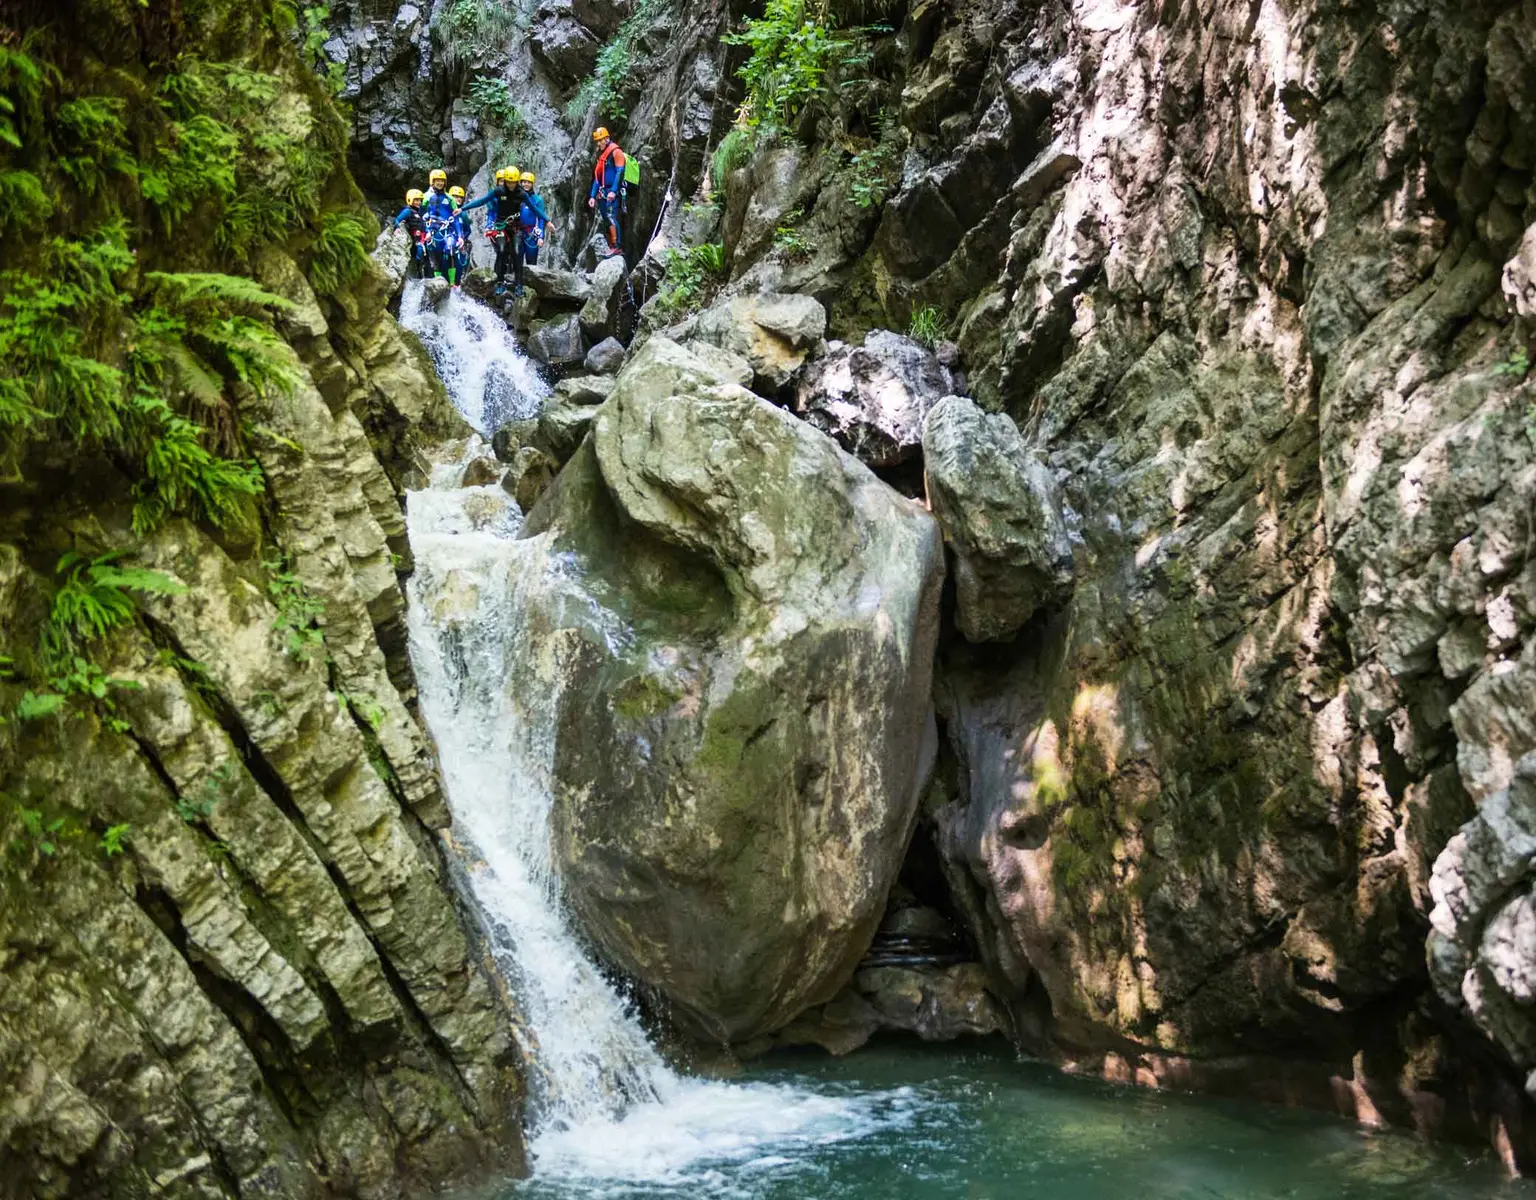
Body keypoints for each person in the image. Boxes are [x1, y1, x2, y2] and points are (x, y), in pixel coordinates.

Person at [462, 167, 521, 295]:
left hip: (511, 227)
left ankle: (510, 278)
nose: (501, 183)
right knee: (501, 251)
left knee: (512, 253)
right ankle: (498, 278)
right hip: (498, 226)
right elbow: (489, 212)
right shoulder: (496, 195)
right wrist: (491, 227)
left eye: (502, 181)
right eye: (500, 181)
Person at [587, 127, 627, 257]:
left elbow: (619, 172)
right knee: (606, 218)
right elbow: (598, 178)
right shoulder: (602, 156)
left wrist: (614, 191)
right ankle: (611, 244)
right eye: (597, 141)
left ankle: (617, 246)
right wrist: (592, 196)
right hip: (603, 191)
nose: (599, 143)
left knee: (611, 217)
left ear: (606, 139)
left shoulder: (616, 152)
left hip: (611, 191)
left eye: (600, 140)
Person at [512, 171, 552, 297]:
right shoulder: (516, 198)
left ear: (532, 184)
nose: (526, 184)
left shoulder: (537, 200)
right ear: (520, 183)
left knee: (531, 262)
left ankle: (530, 289)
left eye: (529, 182)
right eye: (524, 182)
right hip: (518, 231)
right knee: (517, 259)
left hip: (531, 234)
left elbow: (540, 219)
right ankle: (517, 285)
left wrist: (540, 237)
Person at [421, 168, 459, 282]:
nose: (440, 183)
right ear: (432, 181)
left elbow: (456, 217)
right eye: (437, 180)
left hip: (448, 230)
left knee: (451, 250)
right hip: (432, 231)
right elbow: (421, 215)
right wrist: (425, 232)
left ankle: (452, 284)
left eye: (442, 180)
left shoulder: (450, 198)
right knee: (435, 257)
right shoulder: (426, 197)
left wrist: (460, 236)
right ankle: (438, 283)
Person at [391, 188, 428, 277]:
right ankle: (417, 272)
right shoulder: (408, 211)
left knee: (423, 252)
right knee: (419, 251)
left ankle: (421, 272)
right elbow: (397, 219)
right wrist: (397, 227)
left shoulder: (418, 212)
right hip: (414, 237)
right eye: (416, 200)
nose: (418, 202)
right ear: (410, 200)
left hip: (421, 237)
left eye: (419, 200)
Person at [448, 185, 471, 288]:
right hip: (448, 240)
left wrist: (462, 239)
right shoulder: (446, 211)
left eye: (460, 197)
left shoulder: (463, 214)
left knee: (460, 263)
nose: (458, 199)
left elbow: (467, 230)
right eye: (455, 196)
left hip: (460, 242)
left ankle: (458, 283)